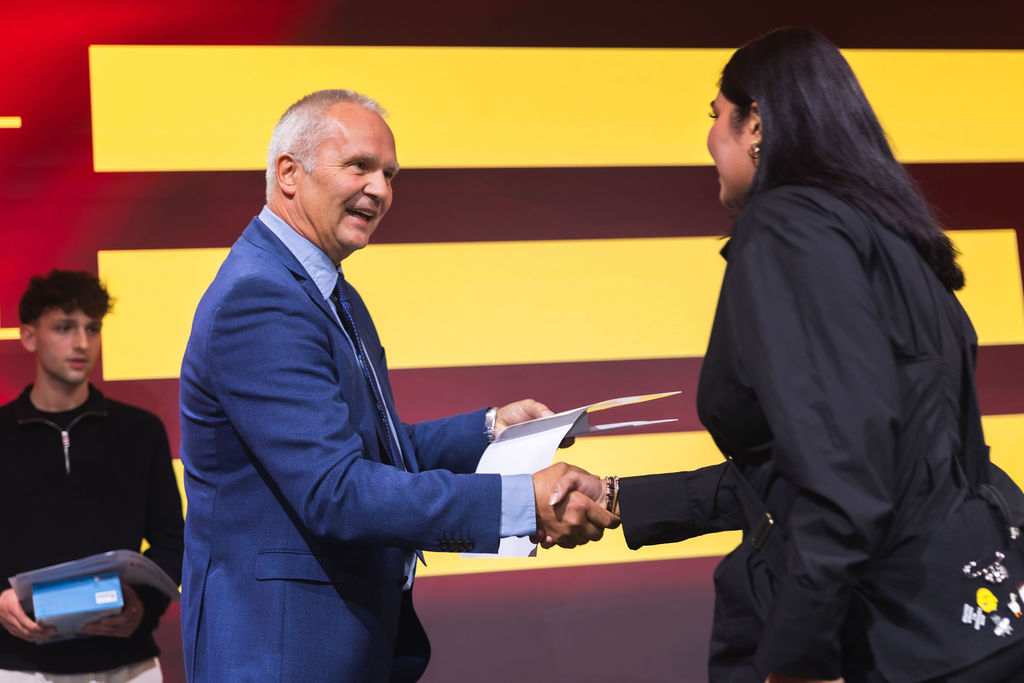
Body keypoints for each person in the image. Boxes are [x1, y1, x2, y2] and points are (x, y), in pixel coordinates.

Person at [548, 27, 1024, 683]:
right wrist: (621, 496)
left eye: (715, 114)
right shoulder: (889, 233)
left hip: (889, 636)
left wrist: (801, 653)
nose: (709, 138)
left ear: (756, 124)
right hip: (979, 615)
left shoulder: (786, 228)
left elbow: (844, 469)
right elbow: (830, 462)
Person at [177, 89, 616, 682]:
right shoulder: (261, 298)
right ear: (289, 173)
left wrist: (490, 430)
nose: (380, 190)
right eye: (359, 166)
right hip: (281, 652)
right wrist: (520, 503)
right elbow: (336, 491)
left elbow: (373, 452)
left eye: (389, 174)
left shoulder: (332, 292)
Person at [0, 269, 185, 682]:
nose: (82, 343)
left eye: (92, 328)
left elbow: (174, 540)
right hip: (18, 667)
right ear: (28, 336)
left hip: (128, 665)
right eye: (64, 328)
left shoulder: (141, 431)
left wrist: (143, 605)